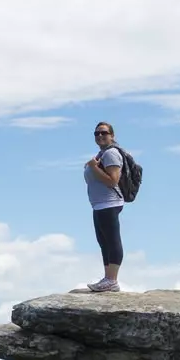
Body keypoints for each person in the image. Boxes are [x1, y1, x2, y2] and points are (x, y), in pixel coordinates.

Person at [82, 122, 126, 293]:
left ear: (112, 135)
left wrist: (93, 167)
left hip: (110, 203)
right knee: (103, 241)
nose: (100, 136)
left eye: (104, 133)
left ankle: (112, 280)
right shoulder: (102, 154)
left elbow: (112, 180)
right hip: (99, 204)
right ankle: (108, 278)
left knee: (111, 240)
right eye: (96, 133)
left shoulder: (112, 154)